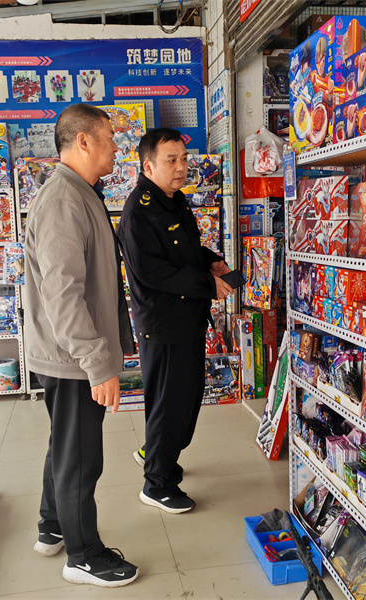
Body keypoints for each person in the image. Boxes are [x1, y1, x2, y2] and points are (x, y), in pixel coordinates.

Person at [23, 103, 138, 588]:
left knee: (65, 445)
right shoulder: (63, 200)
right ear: (83, 141)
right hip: (72, 356)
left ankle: (53, 525)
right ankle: (84, 555)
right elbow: (62, 293)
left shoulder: (80, 192)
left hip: (68, 352)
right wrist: (96, 362)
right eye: (109, 138)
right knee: (81, 457)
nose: (116, 147)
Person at [117, 128, 233, 514]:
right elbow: (153, 272)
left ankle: (156, 454)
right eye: (172, 160)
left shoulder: (174, 200)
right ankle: (157, 483)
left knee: (184, 400)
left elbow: (185, 251)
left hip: (187, 319)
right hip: (163, 324)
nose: (181, 167)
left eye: (184, 158)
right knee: (170, 405)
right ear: (148, 166)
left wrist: (211, 262)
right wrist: (207, 285)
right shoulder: (138, 211)